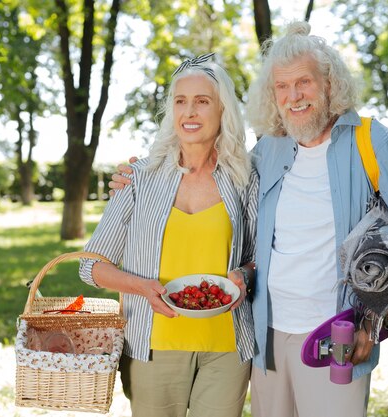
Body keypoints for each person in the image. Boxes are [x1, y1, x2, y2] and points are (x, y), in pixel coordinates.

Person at [109, 21, 388, 417]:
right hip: (266, 337)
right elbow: (226, 188)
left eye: (304, 82)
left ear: (330, 84)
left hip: (336, 333)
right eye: (281, 87)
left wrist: (372, 320)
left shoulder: (376, 144)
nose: (293, 96)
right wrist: (140, 173)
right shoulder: (268, 150)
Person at [78, 53, 258, 417]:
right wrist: (143, 287)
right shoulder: (138, 178)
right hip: (152, 347)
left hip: (227, 346)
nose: (189, 112)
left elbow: (260, 256)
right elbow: (90, 267)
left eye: (202, 101)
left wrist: (245, 276)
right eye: (181, 101)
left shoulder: (244, 178)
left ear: (223, 110)